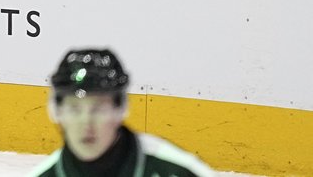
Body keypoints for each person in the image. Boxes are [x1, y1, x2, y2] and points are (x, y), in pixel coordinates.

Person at [30, 48, 215, 177]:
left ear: (120, 109)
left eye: (99, 109)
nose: (86, 122)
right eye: (74, 109)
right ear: (57, 112)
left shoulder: (176, 170)